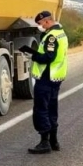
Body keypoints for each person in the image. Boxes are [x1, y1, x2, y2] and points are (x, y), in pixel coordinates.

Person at [18, 10, 68, 154]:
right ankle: (54, 141)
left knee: (41, 109)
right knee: (52, 108)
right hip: (55, 77)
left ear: (47, 21)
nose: (40, 26)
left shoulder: (52, 37)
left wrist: (32, 56)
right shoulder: (61, 33)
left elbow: (48, 57)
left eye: (40, 23)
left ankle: (44, 142)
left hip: (47, 77)